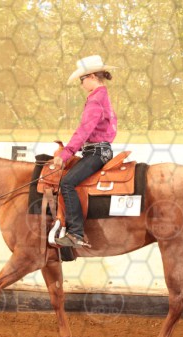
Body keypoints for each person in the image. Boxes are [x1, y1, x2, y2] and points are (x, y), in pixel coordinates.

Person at [54, 55, 118, 248]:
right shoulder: (102, 97)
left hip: (96, 153)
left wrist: (66, 153)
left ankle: (76, 233)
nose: (81, 84)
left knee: (67, 183)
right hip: (99, 149)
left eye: (82, 79)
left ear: (91, 76)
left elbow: (84, 130)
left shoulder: (95, 99)